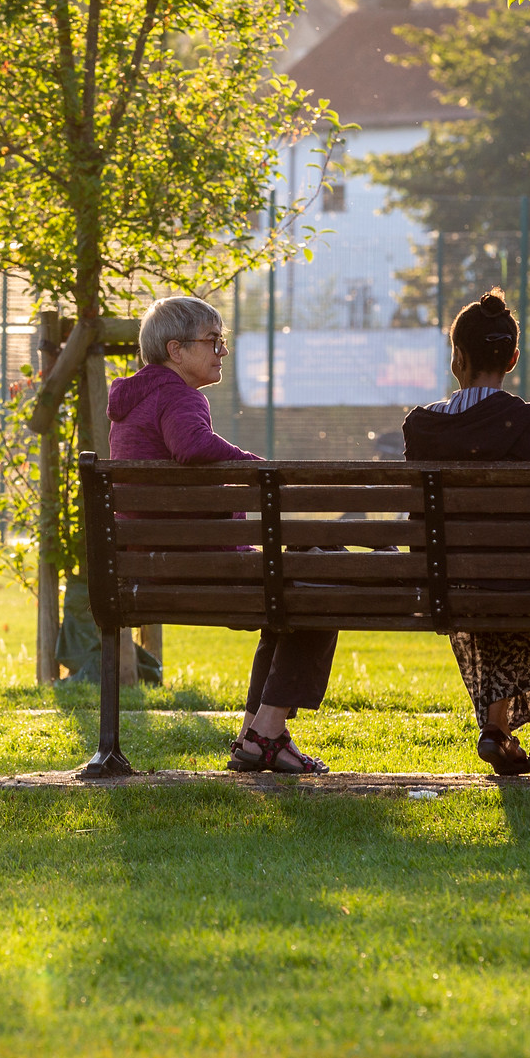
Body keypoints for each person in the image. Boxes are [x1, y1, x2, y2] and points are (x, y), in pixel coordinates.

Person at [109, 296, 334, 775]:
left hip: (155, 567)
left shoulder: (135, 399)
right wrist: (256, 464)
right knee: (323, 583)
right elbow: (191, 445)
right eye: (213, 341)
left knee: (309, 572)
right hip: (200, 567)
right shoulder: (179, 396)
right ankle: (265, 732)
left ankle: (258, 737)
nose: (222, 352)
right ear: (176, 349)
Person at [401, 291, 530, 777]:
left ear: (458, 357)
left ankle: (495, 729)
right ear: (513, 358)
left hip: (455, 585)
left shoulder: (421, 426)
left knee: (490, 587)